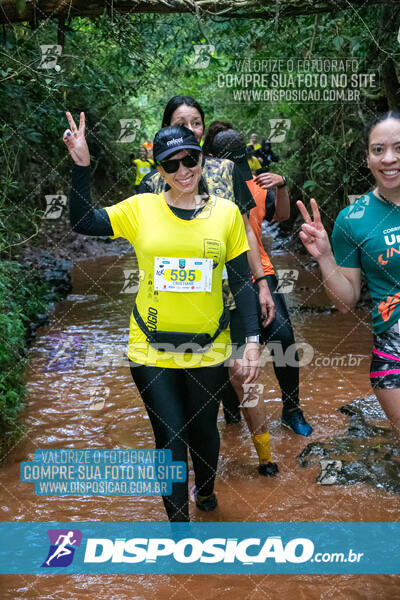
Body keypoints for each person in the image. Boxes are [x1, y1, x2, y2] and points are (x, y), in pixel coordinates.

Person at [63, 112, 261, 522]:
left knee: (204, 433)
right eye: (171, 164)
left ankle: (205, 492)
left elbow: (242, 283)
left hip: (208, 347)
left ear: (201, 159)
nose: (182, 170)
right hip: (149, 347)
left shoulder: (225, 213)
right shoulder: (141, 209)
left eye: (189, 160)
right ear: (160, 168)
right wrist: (80, 166)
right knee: (170, 438)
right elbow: (84, 221)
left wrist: (252, 343)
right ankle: (180, 534)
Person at [205, 126, 313, 476]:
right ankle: (234, 416)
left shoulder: (253, 185)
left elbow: (281, 218)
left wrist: (281, 184)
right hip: (212, 285)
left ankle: (292, 409)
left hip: (257, 275)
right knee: (228, 357)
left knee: (282, 338)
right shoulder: (196, 181)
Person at [297, 110, 400, 450]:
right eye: (378, 150)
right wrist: (325, 256)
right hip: (392, 349)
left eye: (398, 148)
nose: (389, 159)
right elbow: (345, 302)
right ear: (367, 157)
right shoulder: (352, 219)